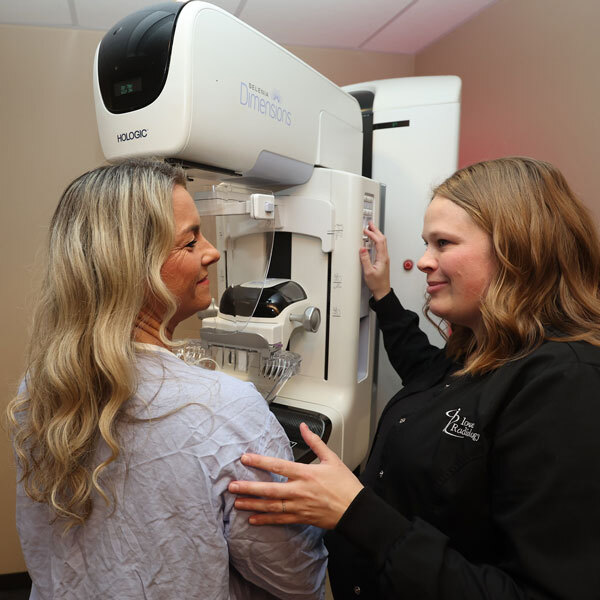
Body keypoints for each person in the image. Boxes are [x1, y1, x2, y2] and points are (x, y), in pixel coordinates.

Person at [228, 156, 600, 599]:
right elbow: (425, 370)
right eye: (427, 243)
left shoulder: (565, 385)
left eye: (443, 243)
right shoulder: (483, 347)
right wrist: (382, 294)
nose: (423, 261)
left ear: (518, 248)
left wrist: (356, 511)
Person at [7, 159, 326, 600]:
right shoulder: (226, 410)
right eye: (190, 240)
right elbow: (296, 578)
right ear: (132, 267)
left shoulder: (40, 389)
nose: (211, 251)